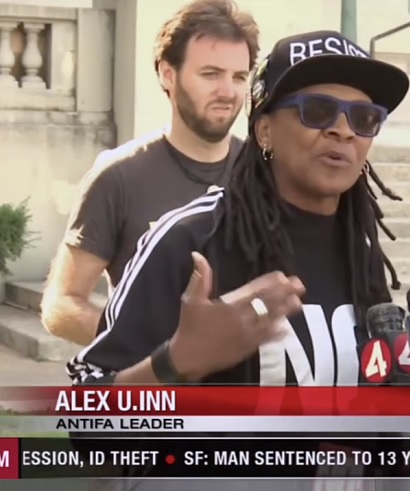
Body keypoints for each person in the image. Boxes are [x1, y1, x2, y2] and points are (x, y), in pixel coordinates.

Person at [68, 22, 407, 422]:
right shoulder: (190, 242)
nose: (344, 131)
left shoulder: (359, 250)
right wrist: (178, 362)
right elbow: (88, 418)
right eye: (318, 111)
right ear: (264, 131)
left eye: (364, 118)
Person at [41, 0, 258, 346]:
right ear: (168, 74)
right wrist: (152, 349)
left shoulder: (266, 174)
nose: (228, 92)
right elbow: (62, 304)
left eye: (239, 77)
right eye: (210, 74)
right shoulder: (119, 177)